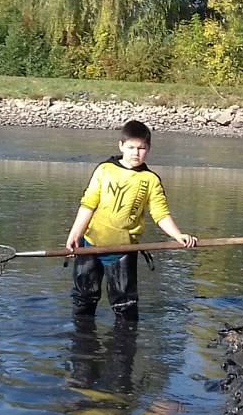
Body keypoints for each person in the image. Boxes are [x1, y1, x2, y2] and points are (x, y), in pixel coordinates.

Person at [65, 120, 197, 320]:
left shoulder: (151, 180)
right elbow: (88, 204)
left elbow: (160, 213)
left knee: (125, 305)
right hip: (90, 245)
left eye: (141, 148)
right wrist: (75, 234)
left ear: (149, 149)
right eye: (131, 147)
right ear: (121, 146)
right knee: (84, 299)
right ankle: (82, 346)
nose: (136, 153)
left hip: (123, 250)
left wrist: (178, 235)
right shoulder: (104, 170)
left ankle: (125, 345)